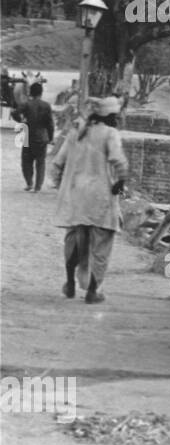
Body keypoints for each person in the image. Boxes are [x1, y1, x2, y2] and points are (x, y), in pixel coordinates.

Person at [48, 96, 128, 304]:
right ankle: (93, 290)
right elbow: (118, 161)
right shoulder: (110, 134)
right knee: (101, 243)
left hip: (77, 197)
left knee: (74, 239)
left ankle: (69, 283)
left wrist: (61, 186)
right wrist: (121, 181)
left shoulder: (76, 133)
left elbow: (57, 163)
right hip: (101, 196)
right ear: (111, 116)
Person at [14, 81, 55, 192]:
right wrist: (51, 137)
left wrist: (21, 120)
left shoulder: (26, 104)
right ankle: (38, 187)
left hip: (28, 137)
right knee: (40, 163)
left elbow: (14, 113)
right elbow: (50, 123)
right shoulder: (46, 106)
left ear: (30, 93)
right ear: (41, 93)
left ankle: (29, 183)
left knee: (26, 161)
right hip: (42, 138)